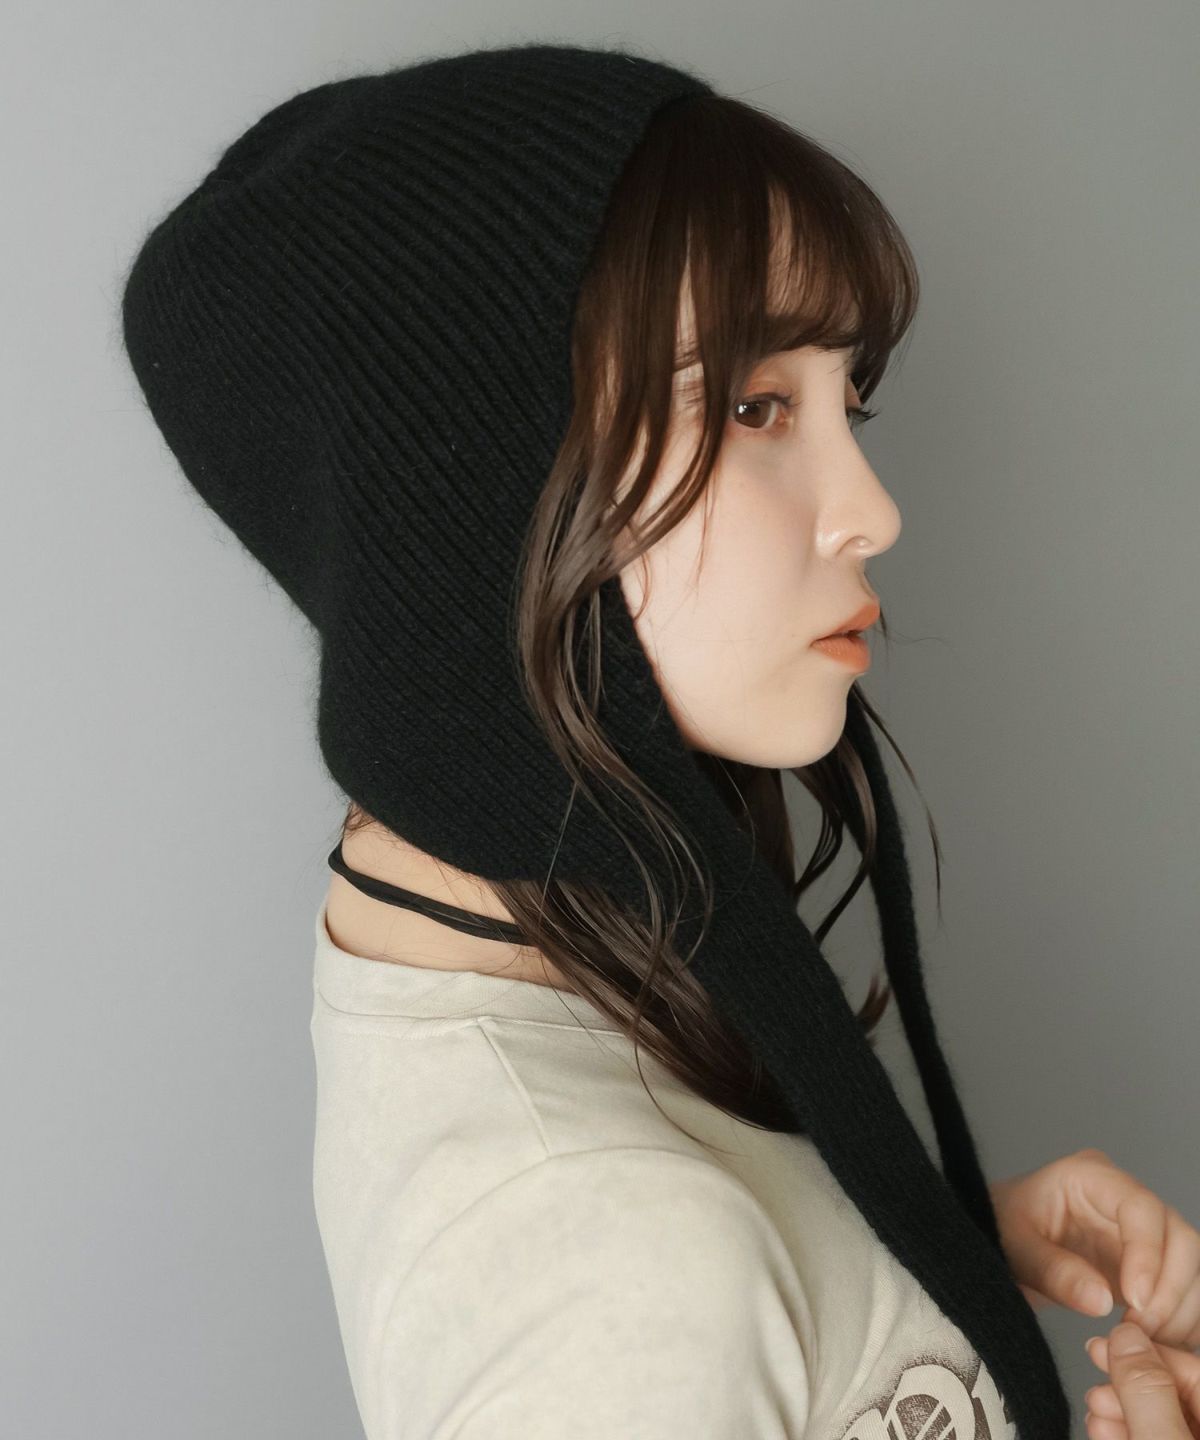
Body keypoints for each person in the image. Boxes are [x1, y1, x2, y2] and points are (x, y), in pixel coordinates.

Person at [124, 39, 1200, 1440]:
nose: (872, 511)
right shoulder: (625, 1281)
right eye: (756, 407)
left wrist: (910, 1258)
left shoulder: (467, 913)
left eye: (847, 402)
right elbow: (633, 1296)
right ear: (484, 499)